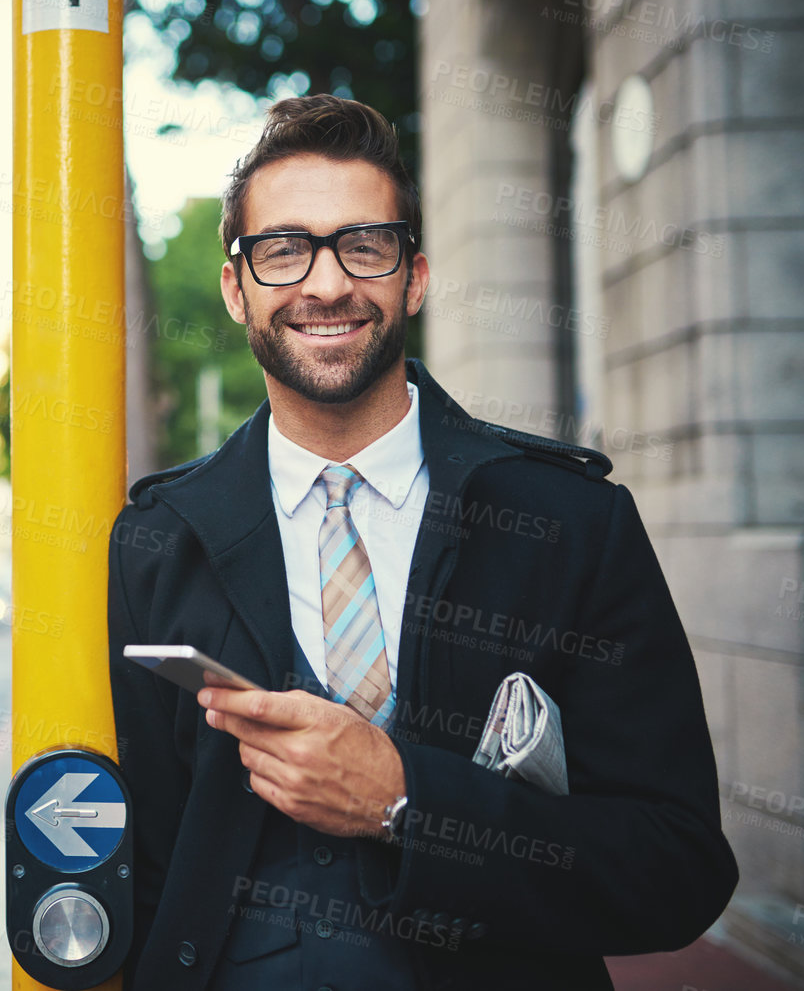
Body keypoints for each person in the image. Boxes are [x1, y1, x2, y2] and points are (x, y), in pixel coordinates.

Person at [107, 95, 736, 990]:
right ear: (234, 286)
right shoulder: (156, 542)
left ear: (413, 276)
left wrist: (407, 802)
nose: (324, 284)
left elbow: (675, 868)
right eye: (282, 250)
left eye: (362, 245)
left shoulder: (570, 523)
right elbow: (149, 865)